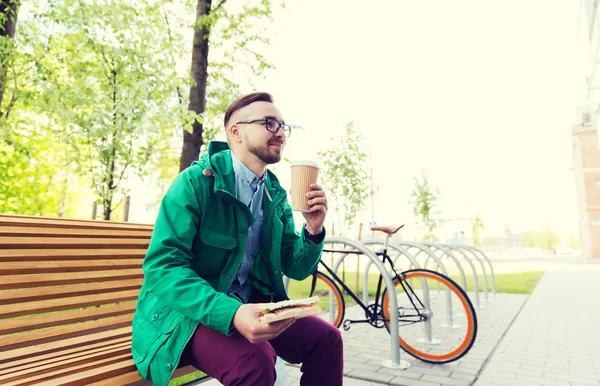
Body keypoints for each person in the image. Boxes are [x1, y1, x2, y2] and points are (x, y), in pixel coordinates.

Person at [131, 92, 344, 386]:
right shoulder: (195, 183)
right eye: (269, 123)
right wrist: (231, 313)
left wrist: (313, 230)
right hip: (185, 317)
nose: (280, 132)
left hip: (251, 305)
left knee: (327, 340)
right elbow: (163, 269)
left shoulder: (274, 193)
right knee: (254, 362)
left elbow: (295, 267)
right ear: (236, 131)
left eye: (283, 126)